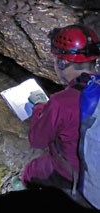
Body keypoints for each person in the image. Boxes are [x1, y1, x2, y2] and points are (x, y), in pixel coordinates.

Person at [12, 25, 100, 194]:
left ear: (63, 62)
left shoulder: (61, 102)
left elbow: (37, 140)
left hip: (77, 174)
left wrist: (39, 106)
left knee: (32, 169)